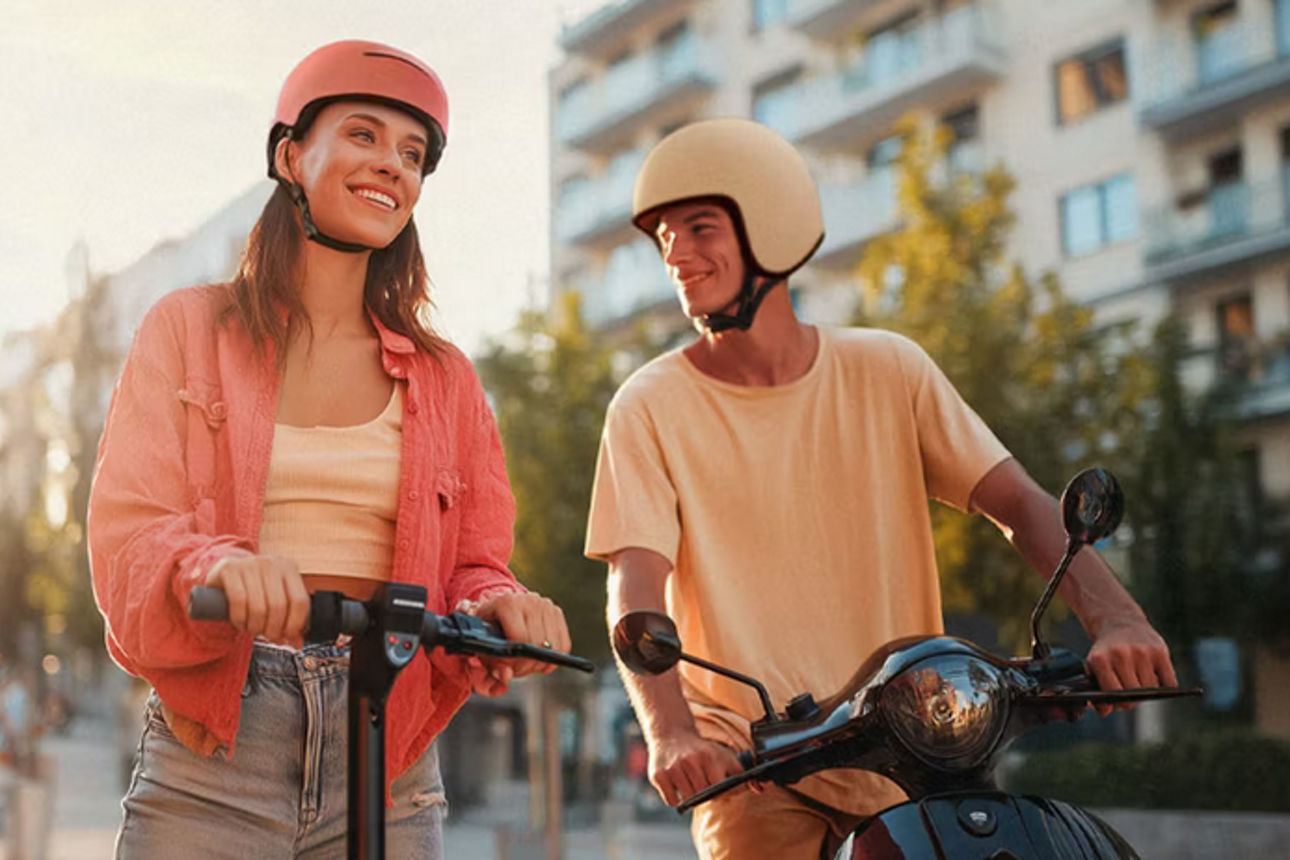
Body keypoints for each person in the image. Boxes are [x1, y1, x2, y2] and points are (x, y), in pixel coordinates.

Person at [584, 118, 1178, 859]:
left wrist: (1115, 619)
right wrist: (672, 732)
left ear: (770, 226)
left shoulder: (888, 370)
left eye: (699, 228)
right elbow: (635, 584)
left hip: (917, 748)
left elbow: (1022, 506)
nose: (676, 253)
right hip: (756, 765)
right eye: (665, 237)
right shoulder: (649, 405)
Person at [88, 40, 570, 858]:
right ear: (290, 156)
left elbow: (473, 564)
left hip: (390, 756)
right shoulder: (188, 329)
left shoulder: (447, 378)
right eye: (363, 135)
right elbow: (130, 533)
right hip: (217, 758)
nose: (391, 165)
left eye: (411, 154)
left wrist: (498, 604)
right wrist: (216, 568)